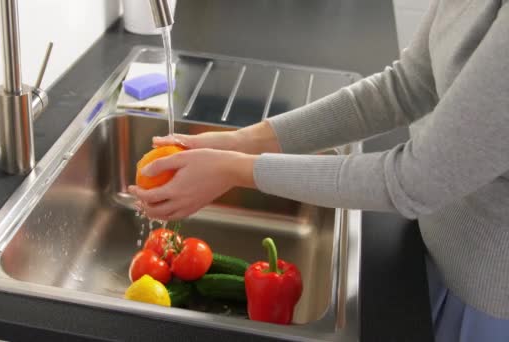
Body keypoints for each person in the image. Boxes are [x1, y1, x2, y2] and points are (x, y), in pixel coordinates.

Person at [129, 0, 509, 340]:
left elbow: (416, 179)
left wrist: (235, 170)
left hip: (484, 292)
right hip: (428, 242)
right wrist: (239, 142)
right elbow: (405, 86)